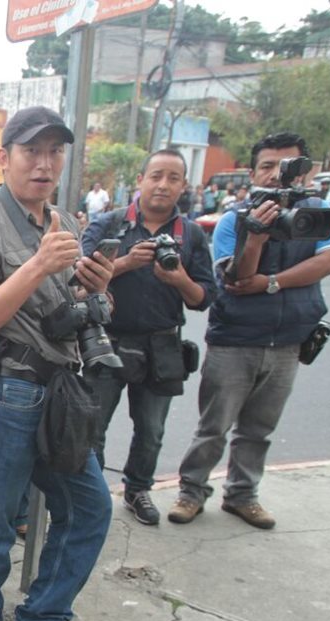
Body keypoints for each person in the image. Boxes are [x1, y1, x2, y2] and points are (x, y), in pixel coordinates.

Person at [0, 106, 115, 621]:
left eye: (54, 152)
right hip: (8, 389)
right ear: (4, 158)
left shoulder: (64, 222)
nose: (44, 164)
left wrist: (99, 290)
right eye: (30, 152)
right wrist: (38, 266)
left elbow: (78, 312)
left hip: (61, 386)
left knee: (90, 507)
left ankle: (42, 617)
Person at [168, 132, 330, 529]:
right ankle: (191, 492)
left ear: (303, 171)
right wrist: (257, 236)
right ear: (253, 172)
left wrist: (272, 282)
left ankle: (242, 495)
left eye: (287, 167)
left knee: (259, 428)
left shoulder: (317, 214)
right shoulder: (234, 219)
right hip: (235, 339)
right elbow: (237, 278)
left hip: (289, 339)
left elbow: (327, 262)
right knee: (213, 426)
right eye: (268, 166)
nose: (278, 176)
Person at [81, 149, 216, 525]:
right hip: (106, 340)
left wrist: (178, 279)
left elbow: (204, 298)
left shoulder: (189, 234)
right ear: (140, 180)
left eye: (173, 178)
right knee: (93, 426)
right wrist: (125, 263)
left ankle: (137, 490)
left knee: (152, 430)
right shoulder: (109, 224)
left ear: (183, 186)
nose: (163, 185)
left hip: (161, 345)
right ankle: (90, 495)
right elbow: (78, 277)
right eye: (156, 175)